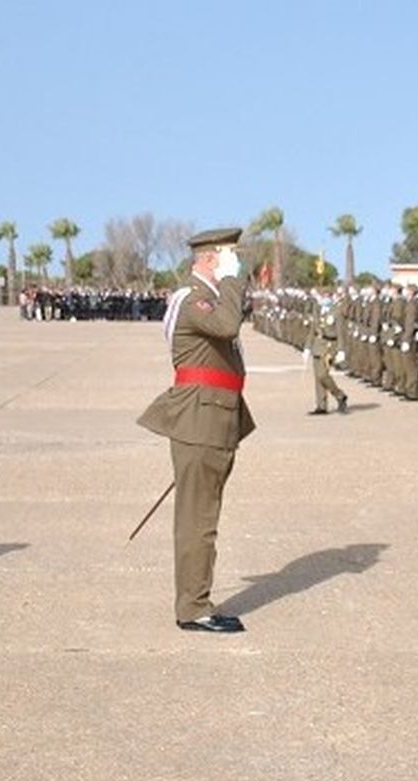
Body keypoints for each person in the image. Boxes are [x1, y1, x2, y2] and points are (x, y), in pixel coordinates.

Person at [136, 227, 255, 634]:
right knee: (198, 519)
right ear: (209, 260)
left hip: (212, 417)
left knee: (202, 515)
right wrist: (234, 279)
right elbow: (227, 327)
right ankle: (193, 607)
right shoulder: (195, 298)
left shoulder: (206, 296)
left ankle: (196, 600)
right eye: (229, 257)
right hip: (201, 419)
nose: (236, 264)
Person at [308, 293, 348, 415]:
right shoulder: (318, 311)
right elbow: (312, 330)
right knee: (317, 377)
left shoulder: (337, 312)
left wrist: (341, 350)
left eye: (324, 296)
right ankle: (321, 405)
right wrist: (307, 347)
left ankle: (339, 394)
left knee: (323, 375)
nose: (322, 299)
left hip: (329, 346)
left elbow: (341, 332)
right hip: (317, 345)